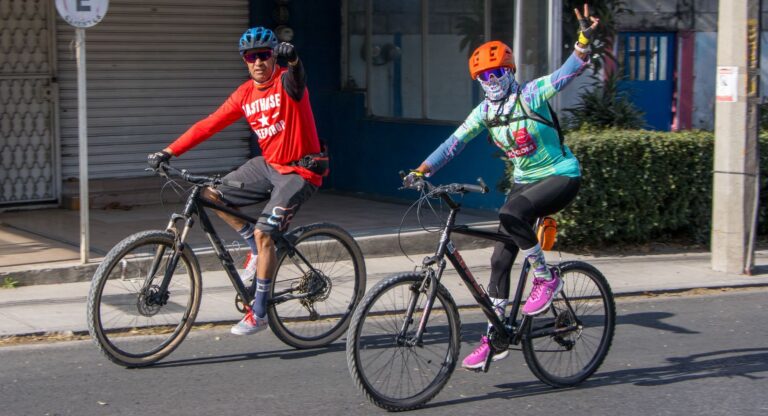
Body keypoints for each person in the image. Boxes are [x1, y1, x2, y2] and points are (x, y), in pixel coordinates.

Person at [405, 5, 599, 370]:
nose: (491, 79)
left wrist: (584, 40)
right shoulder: (484, 112)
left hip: (560, 175)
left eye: (497, 72)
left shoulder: (531, 94)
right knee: (499, 259)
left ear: (510, 71)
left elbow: (568, 72)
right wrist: (422, 169)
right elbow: (453, 144)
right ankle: (497, 335)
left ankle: (546, 279)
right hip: (525, 181)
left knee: (511, 213)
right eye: (483, 75)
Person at [147, 27, 325, 336]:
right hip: (268, 165)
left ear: (274, 56)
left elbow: (298, 79)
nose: (258, 62)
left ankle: (260, 312)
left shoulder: (286, 82)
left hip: (300, 171)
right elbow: (208, 125)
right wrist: (168, 151)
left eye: (264, 55)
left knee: (264, 232)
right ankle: (254, 248)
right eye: (250, 57)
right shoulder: (244, 94)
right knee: (209, 194)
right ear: (244, 60)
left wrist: (294, 60)